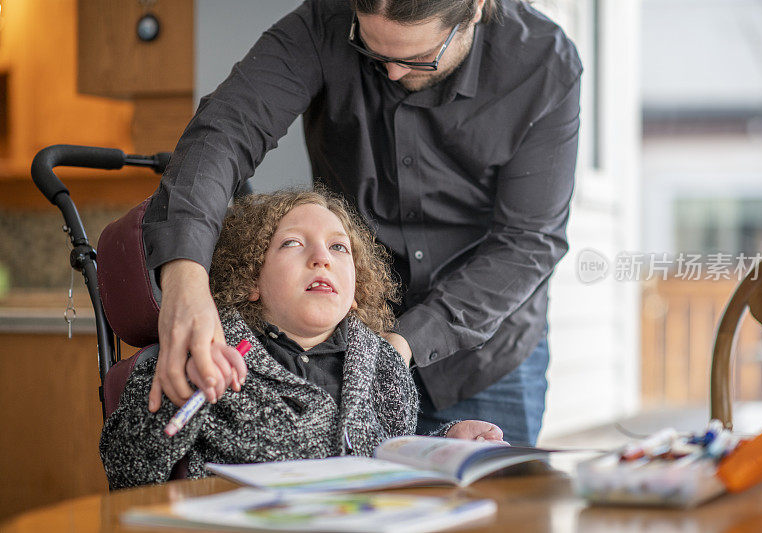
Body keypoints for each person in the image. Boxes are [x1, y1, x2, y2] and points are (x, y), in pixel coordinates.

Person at [143, 0, 582, 445]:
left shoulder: (542, 63)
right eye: (372, 51)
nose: (390, 73)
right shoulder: (325, 22)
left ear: (474, 11)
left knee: (487, 507)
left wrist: (403, 341)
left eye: (415, 58)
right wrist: (184, 278)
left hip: (482, 357)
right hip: (346, 350)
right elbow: (223, 135)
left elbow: (528, 241)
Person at [100, 190, 504, 490]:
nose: (321, 258)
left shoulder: (382, 364)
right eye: (293, 243)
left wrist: (446, 444)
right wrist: (182, 390)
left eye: (338, 247)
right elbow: (127, 471)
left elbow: (392, 454)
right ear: (250, 278)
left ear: (356, 287)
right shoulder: (201, 355)